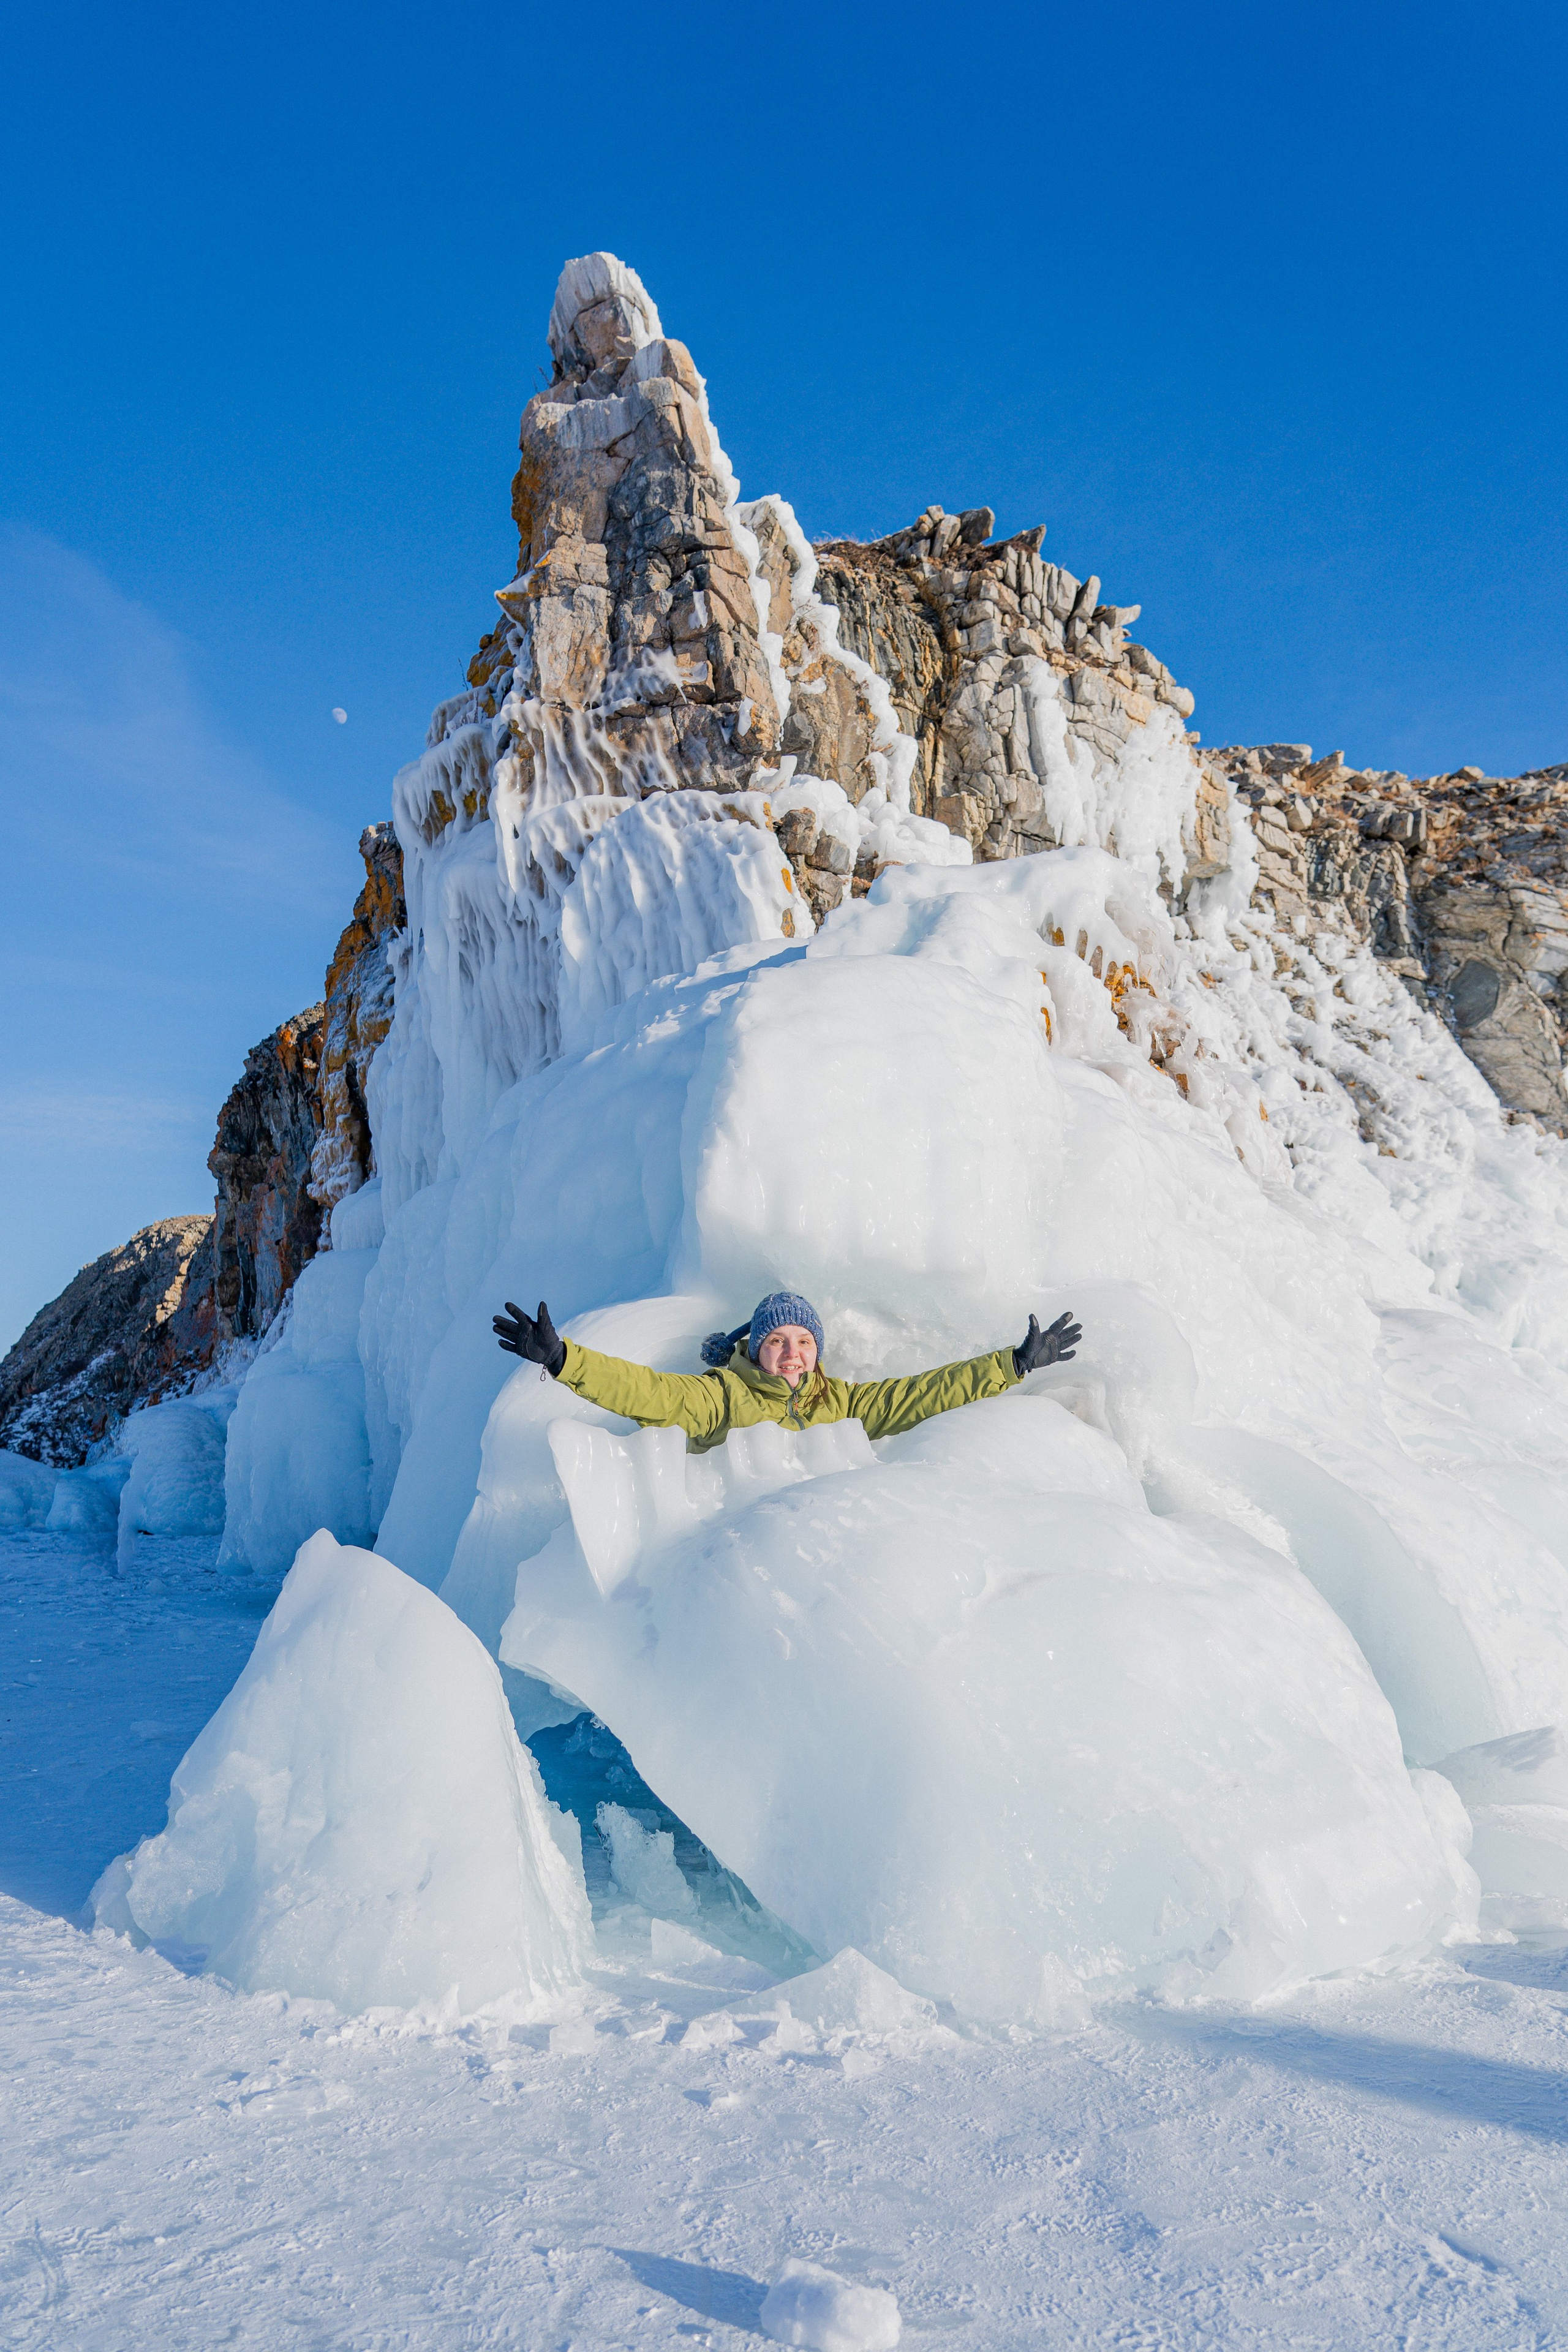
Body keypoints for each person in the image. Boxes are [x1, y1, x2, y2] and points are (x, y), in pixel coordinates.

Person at [492, 1288, 1083, 1455]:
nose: (792, 1351)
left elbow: (920, 1394)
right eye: (776, 1340)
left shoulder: (840, 1403)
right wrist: (565, 1360)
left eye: (803, 1341)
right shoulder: (722, 1396)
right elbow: (649, 1393)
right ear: (755, 1349)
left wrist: (1012, 1364)